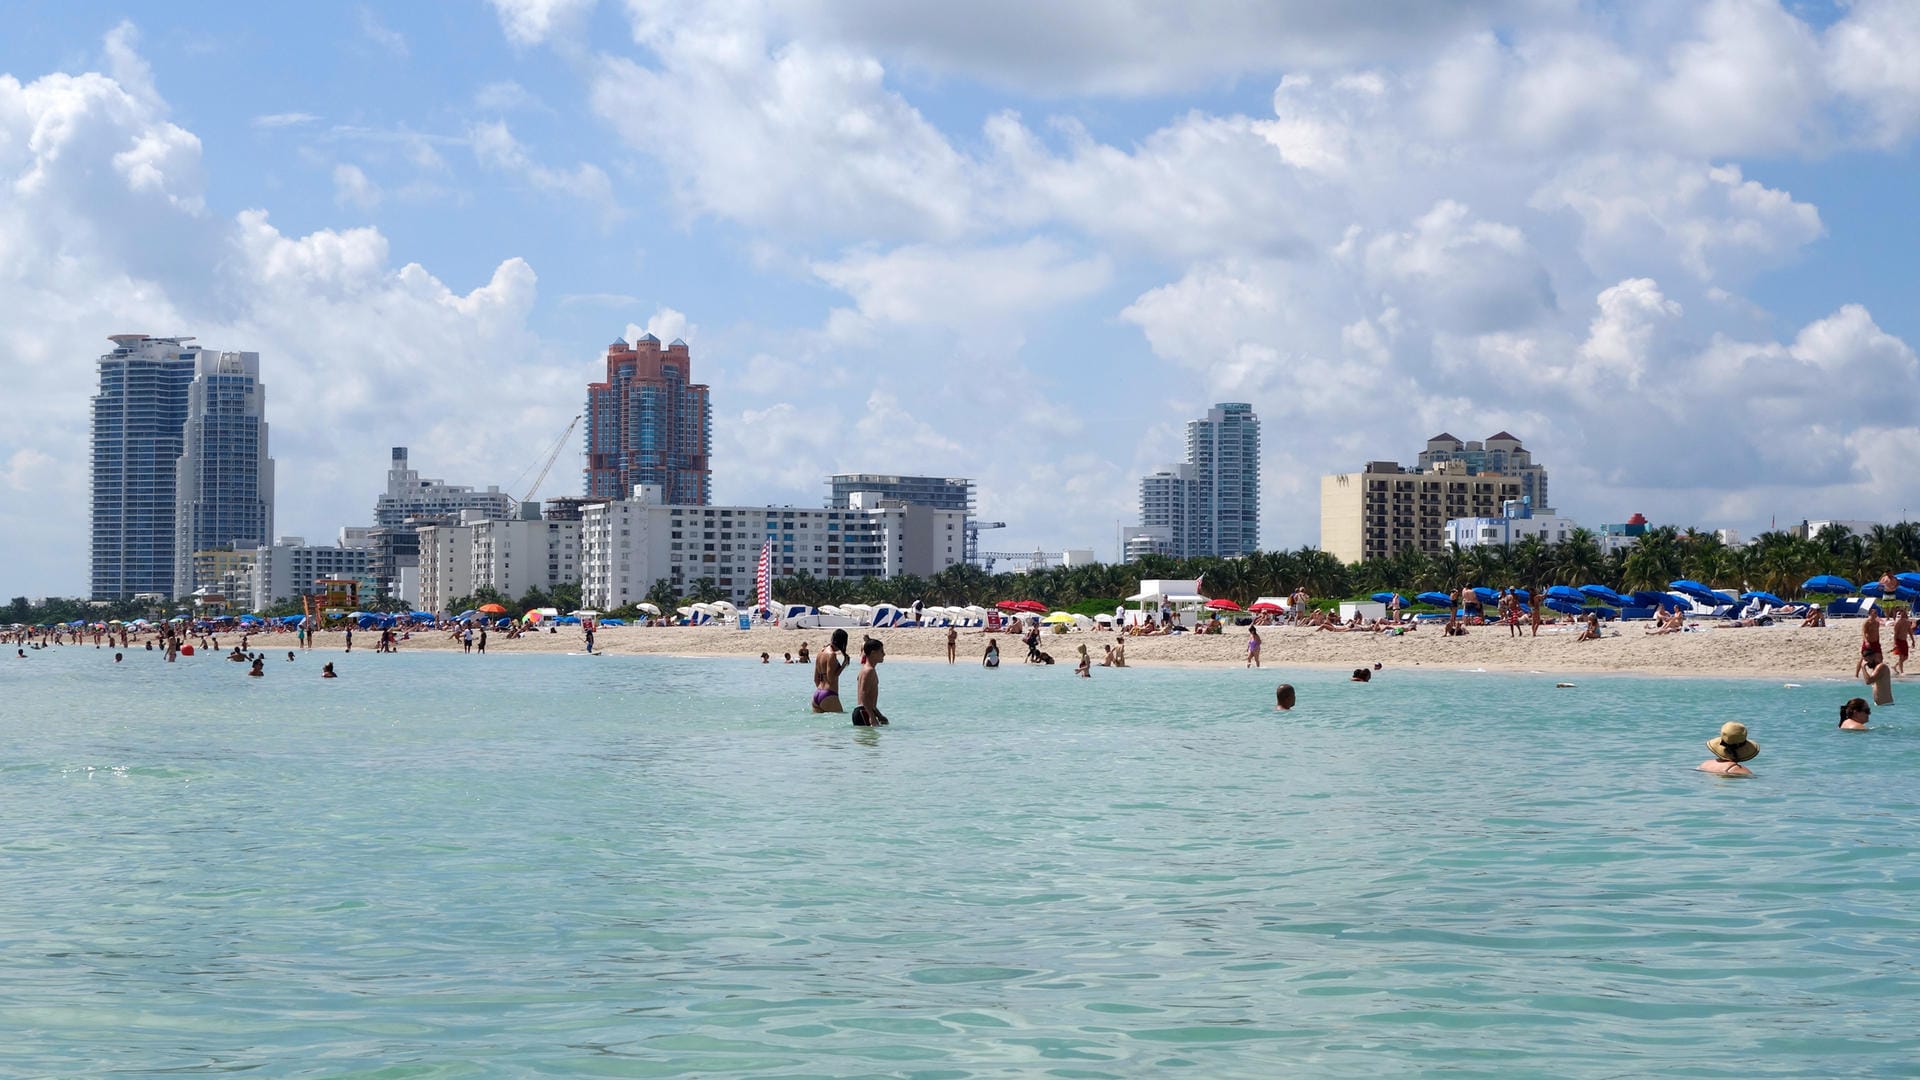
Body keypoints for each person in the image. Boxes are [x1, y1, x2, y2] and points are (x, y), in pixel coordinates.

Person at [851, 638, 889, 726]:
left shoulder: (866, 669)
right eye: (881, 651)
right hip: (864, 711)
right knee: (869, 739)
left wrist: (879, 715)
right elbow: (863, 694)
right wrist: (871, 716)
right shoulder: (869, 670)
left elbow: (869, 698)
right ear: (873, 653)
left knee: (870, 739)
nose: (884, 654)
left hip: (865, 711)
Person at [812, 629, 849, 712]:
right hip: (829, 694)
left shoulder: (820, 652)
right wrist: (843, 665)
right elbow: (830, 679)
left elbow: (815, 679)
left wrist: (821, 692)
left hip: (817, 693)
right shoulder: (831, 654)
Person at [1893, 608, 1913, 675]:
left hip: (1904, 641)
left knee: (1906, 657)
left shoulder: (1907, 622)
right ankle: (1902, 671)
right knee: (1901, 657)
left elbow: (1910, 632)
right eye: (1900, 613)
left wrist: (1913, 640)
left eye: (1903, 613)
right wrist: (1895, 643)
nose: (1902, 614)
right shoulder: (1898, 623)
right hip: (1899, 641)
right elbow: (1895, 634)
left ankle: (1895, 666)